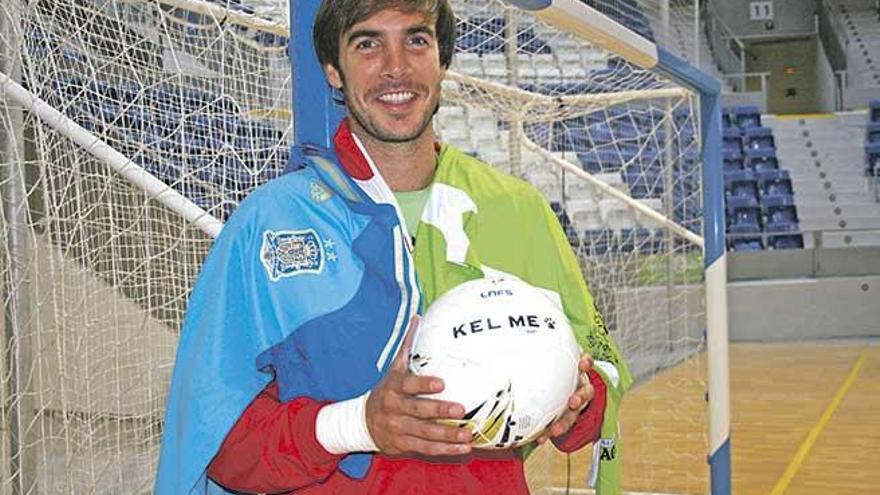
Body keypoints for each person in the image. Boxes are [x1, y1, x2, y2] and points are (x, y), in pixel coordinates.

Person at [155, 0, 632, 493]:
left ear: (442, 59)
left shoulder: (517, 210)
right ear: (332, 71)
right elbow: (219, 449)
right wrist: (358, 424)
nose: (396, 67)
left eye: (416, 40)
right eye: (367, 44)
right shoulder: (270, 224)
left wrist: (576, 403)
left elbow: (600, 377)